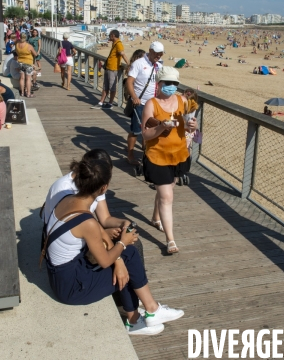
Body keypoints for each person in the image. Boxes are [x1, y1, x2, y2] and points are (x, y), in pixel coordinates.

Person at [43, 155, 184, 335]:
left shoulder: (69, 199)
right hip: (71, 287)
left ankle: (142, 315)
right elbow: (104, 260)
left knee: (126, 257)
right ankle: (148, 312)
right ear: (104, 188)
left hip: (61, 274)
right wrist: (123, 243)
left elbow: (97, 230)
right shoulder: (87, 221)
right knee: (128, 255)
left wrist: (119, 257)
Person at [141, 66, 196, 254]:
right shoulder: (151, 104)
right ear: (159, 83)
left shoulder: (183, 101)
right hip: (157, 156)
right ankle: (170, 240)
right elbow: (146, 135)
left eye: (175, 83)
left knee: (167, 190)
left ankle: (155, 217)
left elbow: (188, 130)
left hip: (179, 155)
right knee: (167, 196)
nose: (171, 87)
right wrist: (162, 127)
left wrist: (192, 127)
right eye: (168, 83)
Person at [125, 43, 163, 165]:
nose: (158, 55)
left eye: (161, 53)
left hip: (154, 103)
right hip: (140, 103)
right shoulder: (139, 63)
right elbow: (129, 82)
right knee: (136, 130)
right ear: (150, 50)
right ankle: (130, 154)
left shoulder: (160, 64)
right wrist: (134, 97)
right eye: (156, 52)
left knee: (152, 129)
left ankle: (147, 152)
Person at [93, 30, 129, 108]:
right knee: (106, 86)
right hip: (109, 68)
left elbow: (122, 54)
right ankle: (101, 102)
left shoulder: (119, 44)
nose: (109, 36)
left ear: (113, 35)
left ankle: (110, 103)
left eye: (110, 35)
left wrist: (129, 64)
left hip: (113, 69)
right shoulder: (114, 43)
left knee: (112, 86)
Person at [15, 33, 38, 97]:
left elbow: (16, 52)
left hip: (20, 63)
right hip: (28, 63)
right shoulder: (29, 46)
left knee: (22, 78)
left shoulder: (17, 45)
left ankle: (22, 93)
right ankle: (28, 93)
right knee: (28, 78)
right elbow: (35, 54)